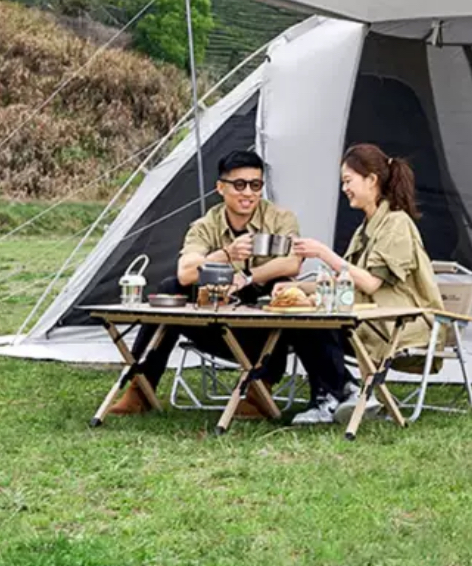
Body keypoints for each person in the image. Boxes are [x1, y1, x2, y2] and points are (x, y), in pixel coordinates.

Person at [109, 149, 343, 417]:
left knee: (281, 287)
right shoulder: (206, 224)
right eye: (239, 185)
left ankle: (259, 391)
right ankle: (140, 388)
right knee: (171, 288)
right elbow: (185, 272)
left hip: (264, 325)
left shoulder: (280, 219)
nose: (248, 193)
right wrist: (226, 255)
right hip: (216, 319)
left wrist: (248, 277)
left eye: (255, 185)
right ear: (220, 187)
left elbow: (292, 263)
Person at [284, 143, 444, 425]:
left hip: (399, 322)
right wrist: (294, 288)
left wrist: (323, 253)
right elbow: (346, 281)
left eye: (348, 181)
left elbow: (370, 284)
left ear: (371, 179)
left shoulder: (397, 224)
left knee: (316, 325)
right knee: (302, 320)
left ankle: (342, 393)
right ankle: (335, 395)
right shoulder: (365, 228)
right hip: (366, 316)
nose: (344, 188)